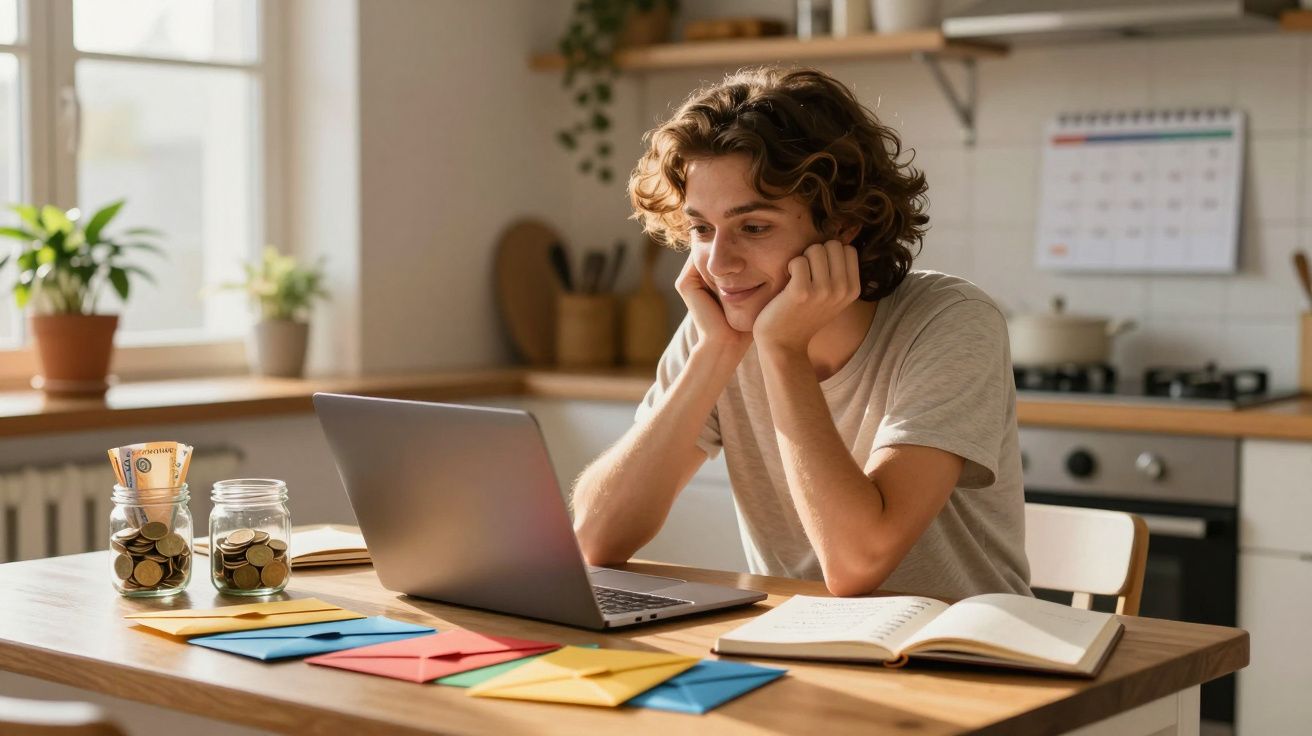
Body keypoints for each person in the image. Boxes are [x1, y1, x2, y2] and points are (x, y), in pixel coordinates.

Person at [571, 66, 1030, 600]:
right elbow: (594, 540)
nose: (719, 263)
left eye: (754, 227)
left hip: (967, 662)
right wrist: (716, 351)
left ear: (842, 225)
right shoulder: (719, 328)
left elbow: (858, 564)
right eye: (701, 229)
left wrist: (782, 350)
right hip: (800, 653)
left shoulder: (949, 321)